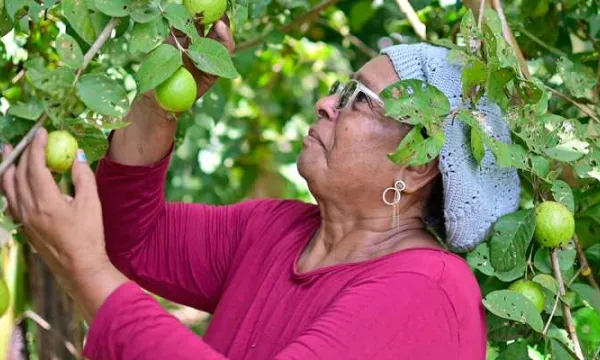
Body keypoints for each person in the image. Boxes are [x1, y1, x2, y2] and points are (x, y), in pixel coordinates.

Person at [0, 19, 520, 360]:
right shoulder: (278, 230)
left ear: (421, 163)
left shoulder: (428, 289)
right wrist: (159, 106)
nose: (325, 104)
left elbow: (101, 256)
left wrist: (87, 273)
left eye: (359, 99)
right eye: (340, 89)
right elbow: (133, 239)